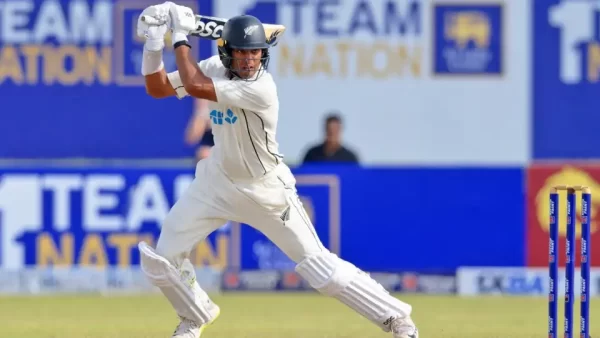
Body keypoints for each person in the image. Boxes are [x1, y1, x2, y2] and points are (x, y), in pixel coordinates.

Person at [136, 3, 419, 338]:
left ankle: (396, 318)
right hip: (216, 182)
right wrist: (154, 42)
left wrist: (179, 34)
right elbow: (156, 88)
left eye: (255, 53)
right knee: (162, 257)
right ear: (227, 52)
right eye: (241, 53)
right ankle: (193, 317)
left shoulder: (261, 88)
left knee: (321, 269)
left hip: (265, 189)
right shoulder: (214, 67)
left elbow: (195, 85)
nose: (248, 60)